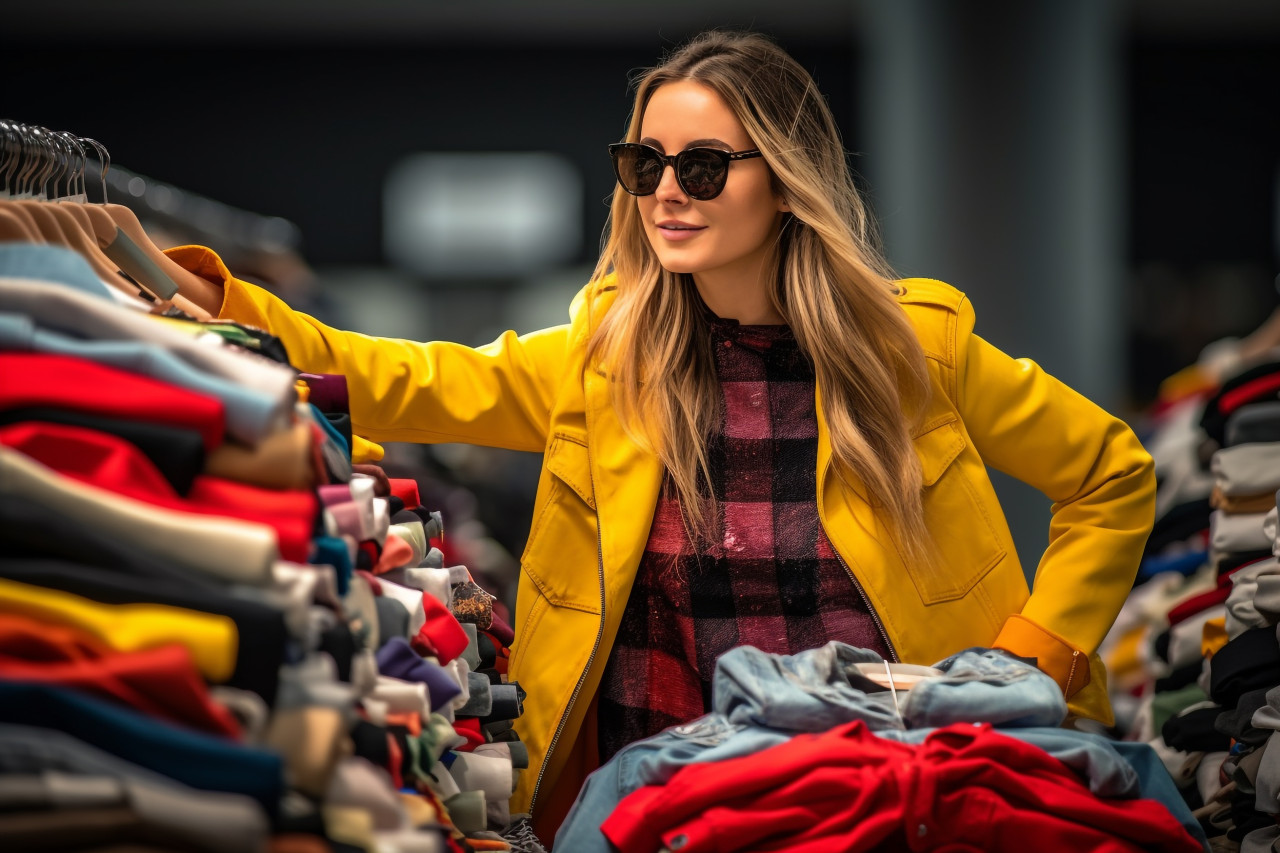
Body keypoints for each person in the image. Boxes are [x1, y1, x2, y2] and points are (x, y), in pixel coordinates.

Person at [169, 29, 1155, 842]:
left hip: (883, 800)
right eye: (644, 163)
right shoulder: (605, 361)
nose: (665, 191)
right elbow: (399, 379)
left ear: (785, 179)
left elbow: (1109, 474)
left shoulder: (909, 351)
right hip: (662, 806)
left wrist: (1031, 659)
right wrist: (217, 300)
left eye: (702, 165)